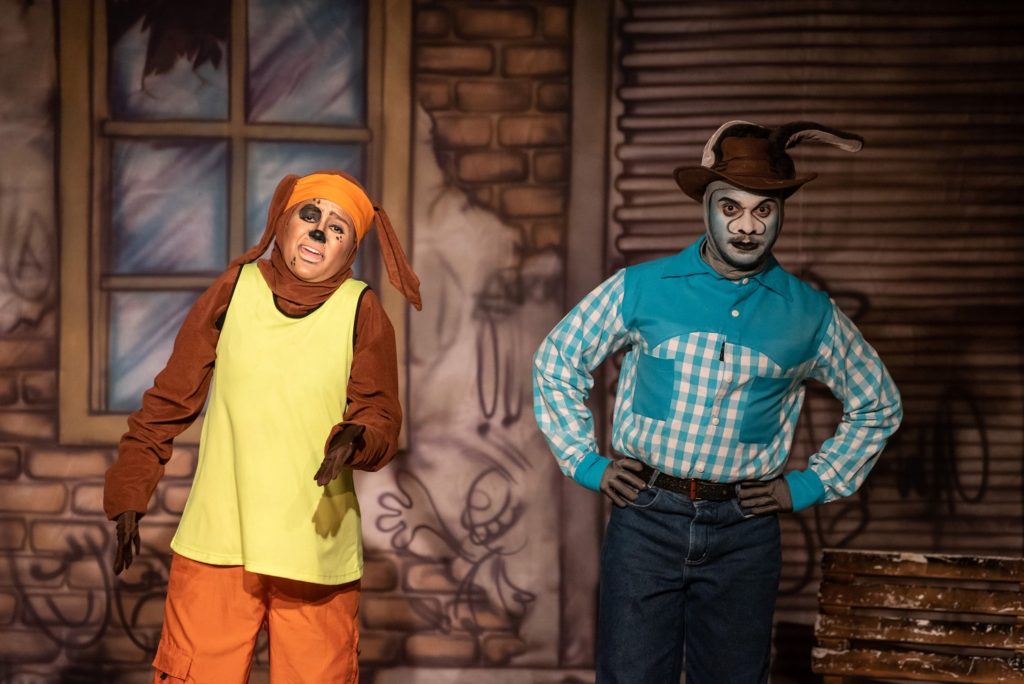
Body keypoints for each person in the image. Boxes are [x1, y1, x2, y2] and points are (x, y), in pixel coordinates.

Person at [532, 121, 902, 683]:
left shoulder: (810, 313)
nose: (747, 227)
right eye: (731, 208)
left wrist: (809, 485)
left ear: (780, 214)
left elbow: (878, 404)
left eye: (763, 210)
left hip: (745, 531)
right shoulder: (642, 287)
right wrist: (584, 462)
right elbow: (557, 359)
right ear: (706, 207)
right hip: (646, 519)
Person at [103, 170, 421, 683]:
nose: (319, 231)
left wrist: (358, 437)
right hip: (219, 540)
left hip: (313, 548)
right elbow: (168, 400)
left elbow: (379, 414)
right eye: (310, 215)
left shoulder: (360, 310)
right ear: (283, 223)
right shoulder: (235, 290)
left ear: (350, 250)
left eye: (337, 228)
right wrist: (128, 491)